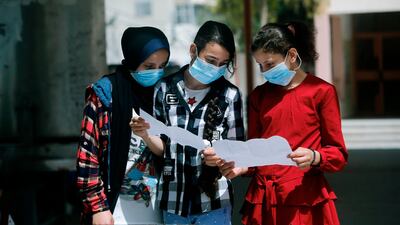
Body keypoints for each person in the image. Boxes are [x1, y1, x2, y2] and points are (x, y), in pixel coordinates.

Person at [210, 21, 348, 225]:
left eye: (270, 64)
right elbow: (254, 151)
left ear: (292, 56)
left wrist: (315, 156)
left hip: (303, 199)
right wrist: (241, 167)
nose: (265, 71)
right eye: (260, 65)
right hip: (264, 198)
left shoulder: (321, 92)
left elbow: (338, 154)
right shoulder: (259, 96)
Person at [131, 20, 244, 224]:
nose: (215, 69)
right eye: (210, 60)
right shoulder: (164, 89)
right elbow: (163, 148)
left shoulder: (230, 95)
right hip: (174, 203)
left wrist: (222, 157)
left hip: (215, 204)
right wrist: (146, 135)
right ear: (193, 50)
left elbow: (238, 151)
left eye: (222, 64)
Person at [76, 26, 170, 225]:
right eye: (149, 66)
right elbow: (88, 154)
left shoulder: (165, 94)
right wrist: (98, 208)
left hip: (158, 208)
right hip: (114, 208)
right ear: (133, 62)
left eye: (162, 66)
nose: (157, 73)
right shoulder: (105, 94)